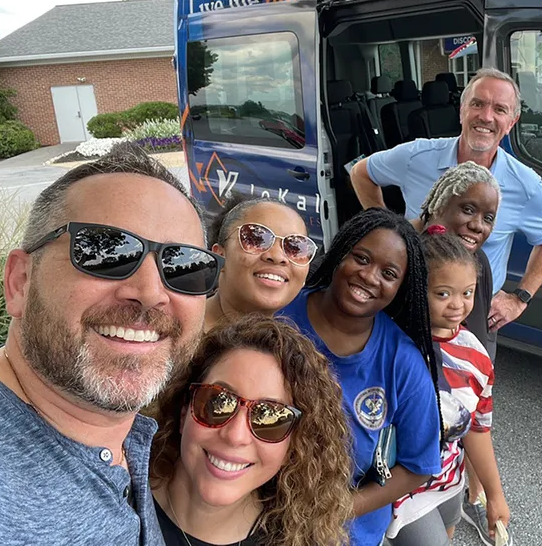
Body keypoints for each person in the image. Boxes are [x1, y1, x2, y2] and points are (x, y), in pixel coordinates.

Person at [0, 142, 221, 544]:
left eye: (184, 266)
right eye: (105, 252)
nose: (150, 292)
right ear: (20, 282)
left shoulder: (116, 432)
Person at [350, 67, 542, 335]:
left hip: (472, 313)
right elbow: (361, 173)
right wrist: (387, 230)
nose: (486, 116)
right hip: (407, 297)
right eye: (477, 104)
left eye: (499, 109)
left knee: (471, 375)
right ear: (462, 109)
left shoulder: (525, 184)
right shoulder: (418, 156)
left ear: (512, 121)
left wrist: (519, 298)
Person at [278, 207, 443, 546]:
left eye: (389, 273)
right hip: (256, 500)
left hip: (342, 526)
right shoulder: (279, 314)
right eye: (362, 258)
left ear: (401, 287)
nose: (370, 276)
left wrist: (339, 508)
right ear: (340, 254)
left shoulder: (403, 361)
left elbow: (418, 464)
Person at [148, 313, 353, 546]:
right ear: (185, 409)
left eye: (272, 418)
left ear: (294, 446)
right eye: (218, 402)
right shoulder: (116, 484)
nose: (235, 436)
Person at [386, 227, 510, 546]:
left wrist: (493, 494)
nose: (458, 305)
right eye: (443, 293)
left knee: (448, 533)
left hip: (450, 480)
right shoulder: (392, 345)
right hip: (404, 490)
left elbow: (477, 428)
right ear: (416, 289)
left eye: (467, 292)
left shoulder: (476, 356)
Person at [415, 161, 501, 360]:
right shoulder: (412, 259)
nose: (478, 226)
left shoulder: (478, 261)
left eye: (488, 218)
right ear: (440, 206)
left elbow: (480, 334)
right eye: (468, 210)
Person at [203, 193, 317, 330]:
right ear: (220, 255)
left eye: (296, 247)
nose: (278, 256)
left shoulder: (292, 349)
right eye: (256, 239)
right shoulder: (179, 336)